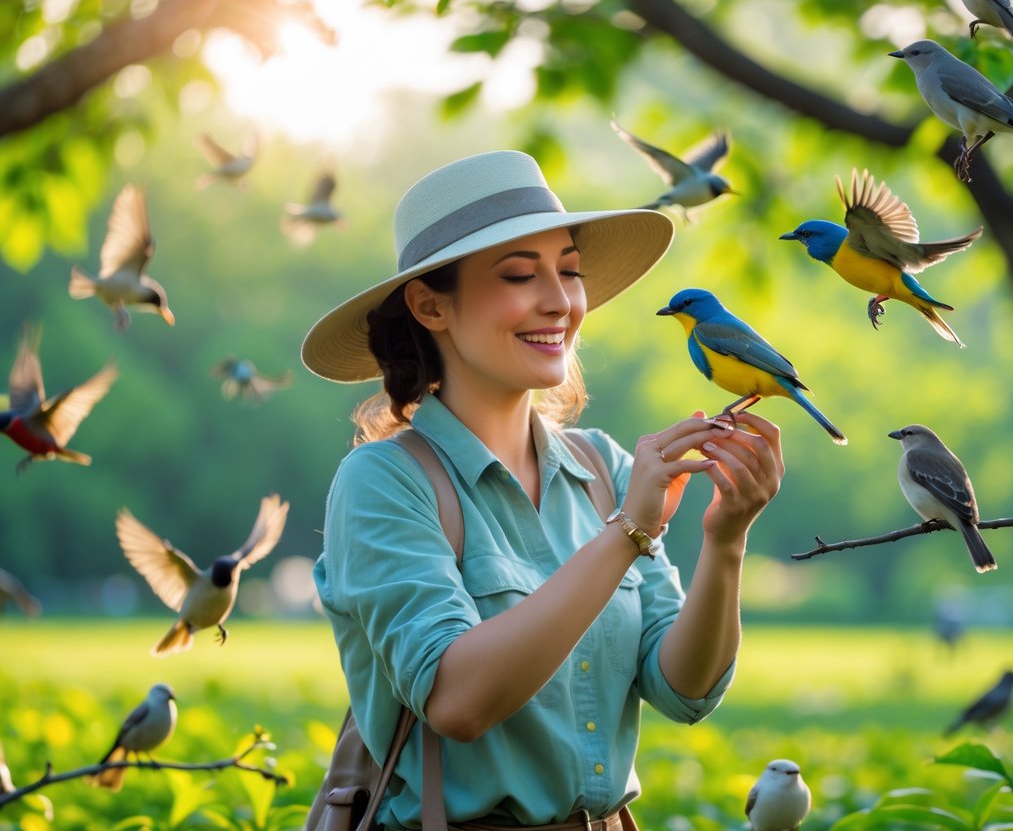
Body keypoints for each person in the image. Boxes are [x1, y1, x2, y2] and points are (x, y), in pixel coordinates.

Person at [302, 150, 785, 831]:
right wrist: (625, 535)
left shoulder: (604, 469)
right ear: (430, 304)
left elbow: (684, 689)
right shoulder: (383, 483)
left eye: (569, 271)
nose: (559, 300)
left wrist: (725, 538)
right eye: (520, 275)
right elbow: (457, 700)